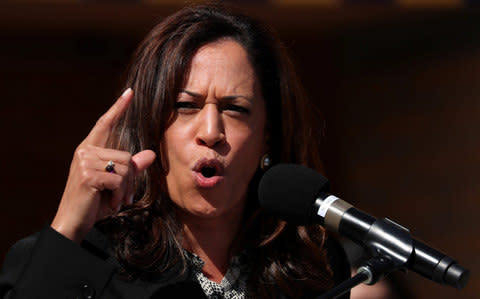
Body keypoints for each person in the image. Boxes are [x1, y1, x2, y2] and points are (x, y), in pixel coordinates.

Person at [0, 4, 350, 298]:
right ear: (152, 127)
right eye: (185, 105)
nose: (211, 132)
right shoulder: (80, 258)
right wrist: (66, 230)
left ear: (268, 136)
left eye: (235, 108)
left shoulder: (313, 266)